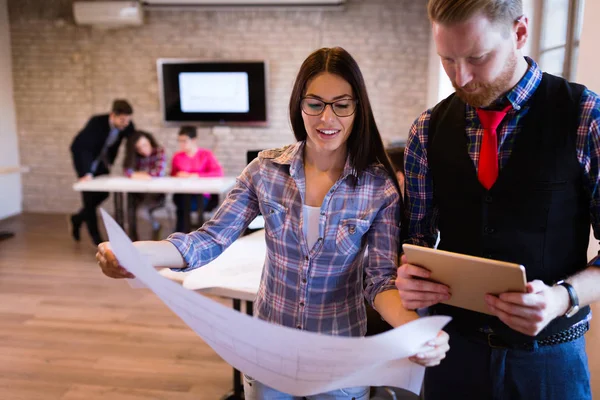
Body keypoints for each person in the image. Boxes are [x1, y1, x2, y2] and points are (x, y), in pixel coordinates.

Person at [96, 47, 450, 400]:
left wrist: (414, 331)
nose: (327, 119)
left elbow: (379, 282)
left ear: (358, 107)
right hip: (268, 352)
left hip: (339, 358)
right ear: (299, 104)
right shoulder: (265, 171)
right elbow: (209, 240)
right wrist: (134, 254)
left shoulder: (378, 187)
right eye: (315, 103)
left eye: (341, 104)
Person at [396, 1, 600, 399]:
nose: (461, 76)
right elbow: (414, 244)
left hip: (550, 361)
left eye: (477, 57)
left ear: (519, 33)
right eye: (447, 59)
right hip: (452, 356)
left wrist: (563, 297)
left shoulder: (585, 116)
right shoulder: (426, 129)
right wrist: (409, 280)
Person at [69, 99, 135, 245]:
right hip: (84, 158)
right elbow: (85, 149)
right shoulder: (96, 123)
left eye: (128, 120)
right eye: (122, 120)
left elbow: (133, 143)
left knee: (104, 192)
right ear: (113, 115)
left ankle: (78, 218)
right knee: (88, 198)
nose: (126, 123)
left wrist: (131, 168)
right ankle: (96, 240)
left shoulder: (127, 126)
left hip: (102, 160)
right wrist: (86, 173)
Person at [171, 125, 224, 233]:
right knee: (181, 204)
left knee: (184, 208)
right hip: (182, 193)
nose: (181, 144)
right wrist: (178, 175)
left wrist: (197, 175)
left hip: (202, 195)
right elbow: (172, 175)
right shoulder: (177, 157)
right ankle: (180, 235)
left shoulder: (206, 155)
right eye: (179, 141)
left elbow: (218, 172)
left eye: (184, 141)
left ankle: (188, 234)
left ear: (194, 140)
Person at [122, 130, 167, 241]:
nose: (143, 150)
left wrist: (136, 174)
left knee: (141, 211)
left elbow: (158, 173)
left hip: (155, 194)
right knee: (130, 205)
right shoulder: (135, 156)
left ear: (150, 141)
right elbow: (127, 171)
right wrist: (144, 174)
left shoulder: (159, 151)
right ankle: (132, 239)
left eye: (144, 145)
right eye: (138, 148)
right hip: (139, 193)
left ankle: (156, 226)